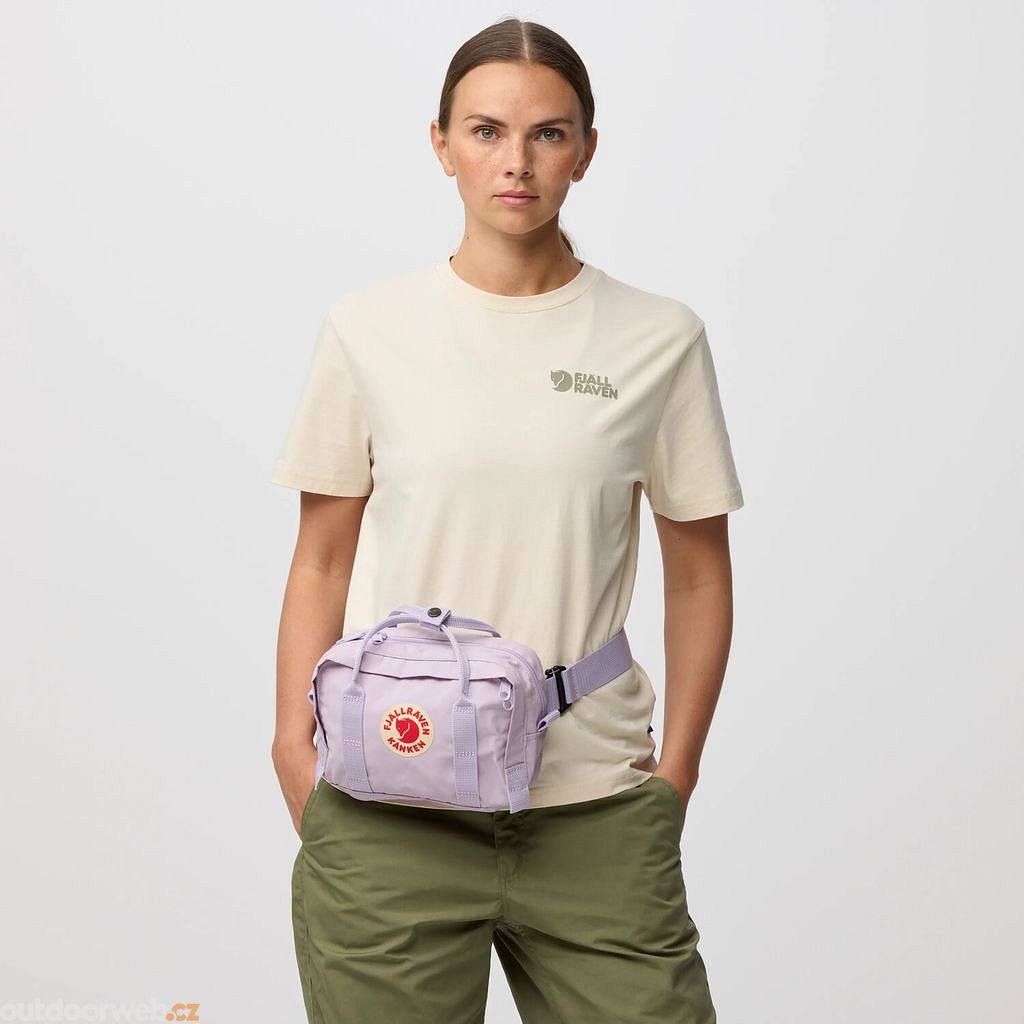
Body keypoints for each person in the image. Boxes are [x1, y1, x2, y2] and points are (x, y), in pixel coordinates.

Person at [270, 17, 743, 1024]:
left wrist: (676, 774)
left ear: (586, 150)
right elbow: (320, 560)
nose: (516, 162)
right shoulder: (368, 330)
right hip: (389, 804)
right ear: (441, 144)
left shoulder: (658, 339)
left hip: (595, 808)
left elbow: (700, 571)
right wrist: (291, 749)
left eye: (548, 134)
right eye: (486, 131)